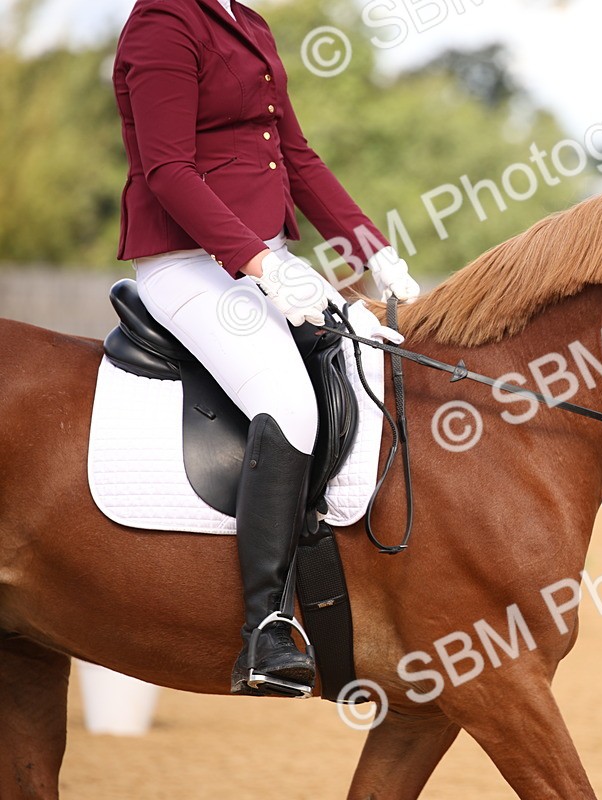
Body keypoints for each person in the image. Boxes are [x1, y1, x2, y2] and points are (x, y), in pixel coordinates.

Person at [112, 0, 418, 696]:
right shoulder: (165, 21)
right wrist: (260, 263)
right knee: (287, 401)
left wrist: (375, 251)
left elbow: (297, 157)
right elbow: (167, 169)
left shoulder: (246, 21)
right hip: (188, 263)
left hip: (265, 259)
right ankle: (264, 627)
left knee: (375, 355)